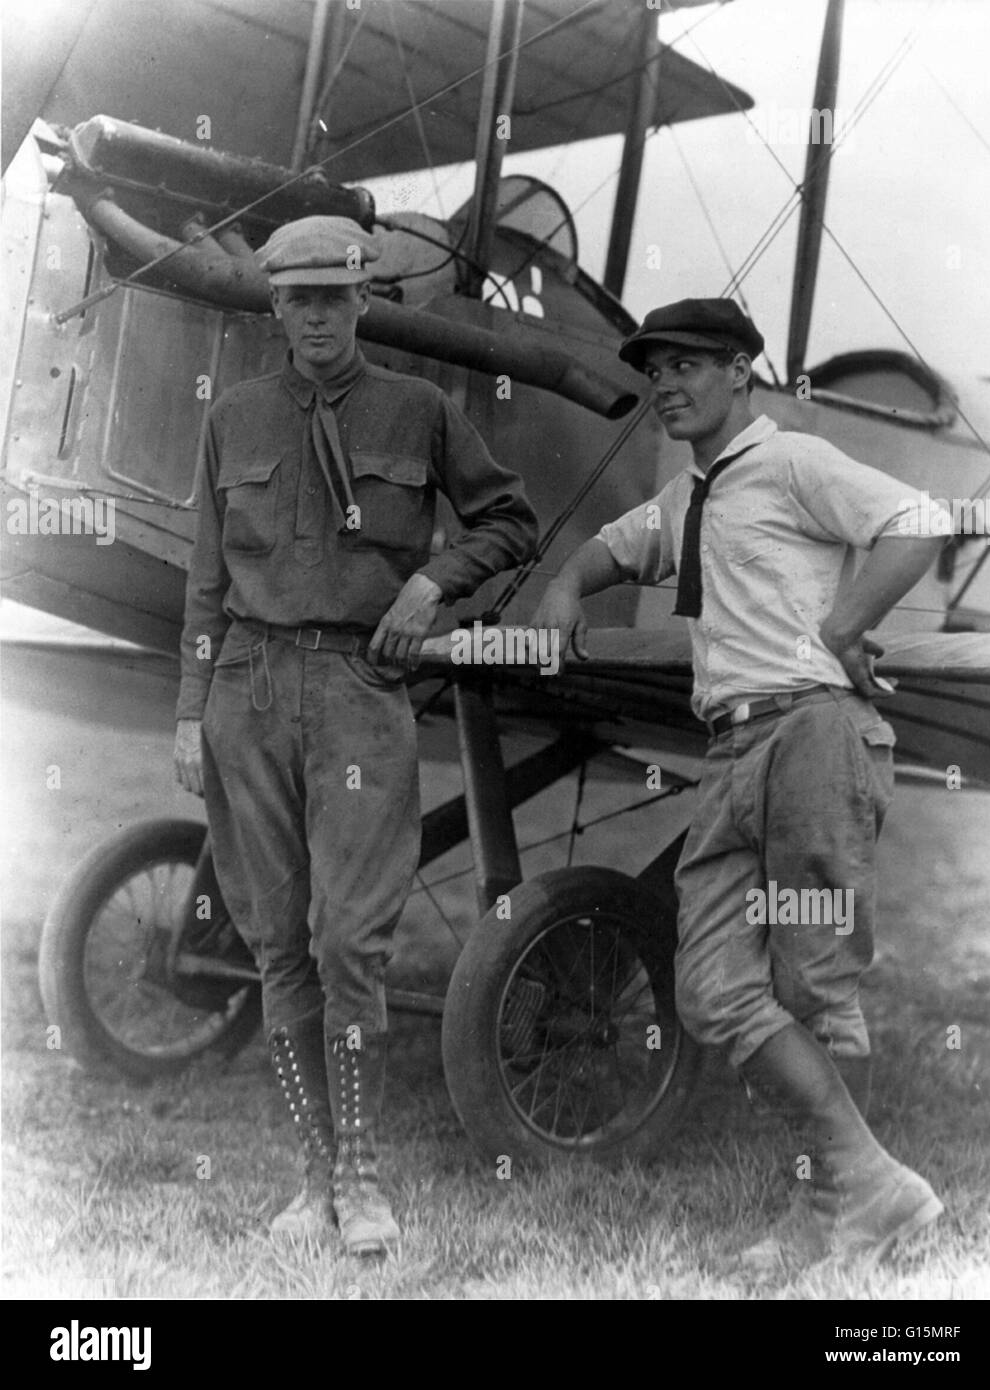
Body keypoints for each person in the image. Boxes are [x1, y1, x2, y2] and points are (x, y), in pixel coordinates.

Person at [532, 297, 949, 1273]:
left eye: (686, 365)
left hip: (811, 738)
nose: (666, 384)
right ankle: (873, 1183)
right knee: (711, 986)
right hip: (728, 752)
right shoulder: (689, 493)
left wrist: (841, 631)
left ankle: (826, 1215)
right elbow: (611, 547)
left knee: (814, 988)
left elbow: (917, 522)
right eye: (654, 369)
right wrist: (562, 587)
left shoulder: (793, 462)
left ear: (740, 373)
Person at [173, 215, 538, 1255]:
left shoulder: (418, 409)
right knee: (274, 935)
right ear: (274, 308)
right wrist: (186, 715)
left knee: (349, 937)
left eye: (334, 296)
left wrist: (431, 584)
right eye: (297, 299)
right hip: (245, 684)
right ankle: (309, 1177)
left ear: (361, 300)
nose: (317, 316)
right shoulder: (232, 417)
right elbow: (203, 583)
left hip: (358, 688)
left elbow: (507, 519)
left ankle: (364, 1175)